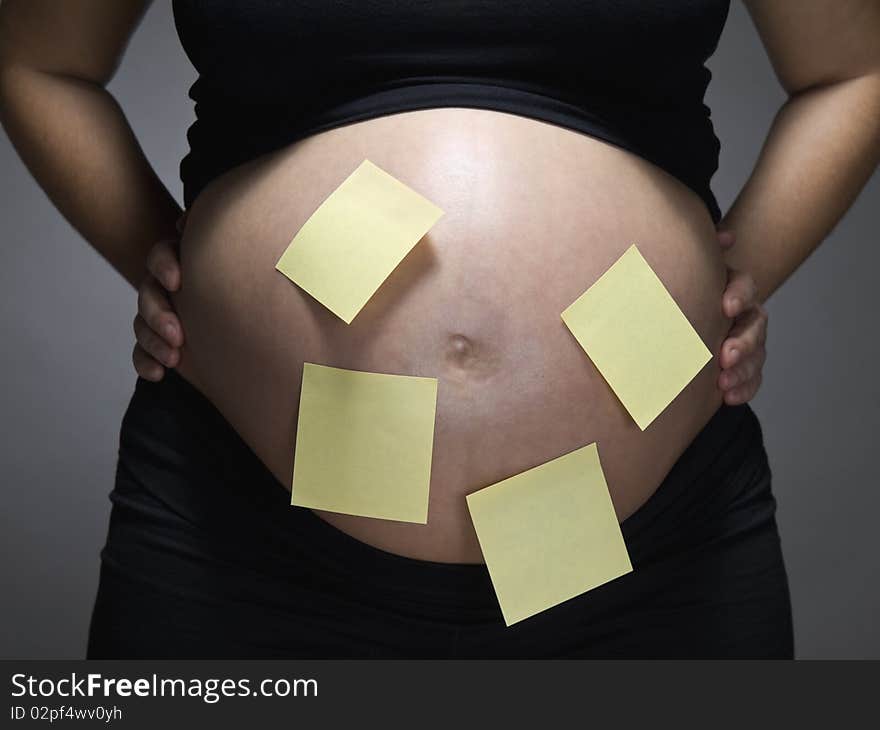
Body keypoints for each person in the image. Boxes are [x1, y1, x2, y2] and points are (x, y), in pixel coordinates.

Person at [1, 0, 877, 659]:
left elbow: (853, 67)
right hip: (240, 529)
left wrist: (729, 281)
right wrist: (161, 255)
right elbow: (37, 57)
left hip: (642, 554)